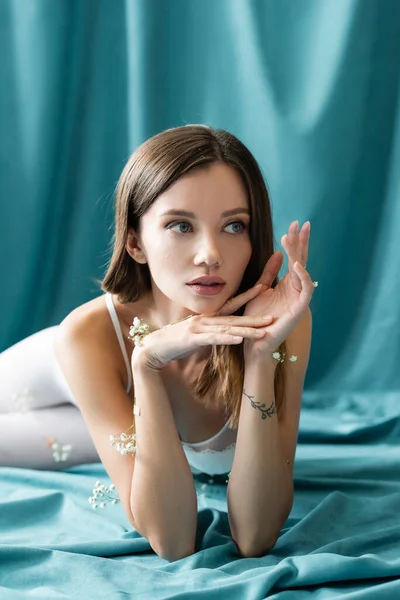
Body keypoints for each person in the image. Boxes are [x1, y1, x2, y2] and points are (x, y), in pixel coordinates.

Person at [0, 125, 315, 560]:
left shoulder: (283, 323)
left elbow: (249, 537)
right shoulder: (88, 336)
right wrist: (145, 364)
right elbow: (171, 545)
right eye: (181, 225)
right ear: (135, 242)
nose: (210, 254)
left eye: (234, 225)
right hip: (59, 372)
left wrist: (260, 354)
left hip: (114, 414)